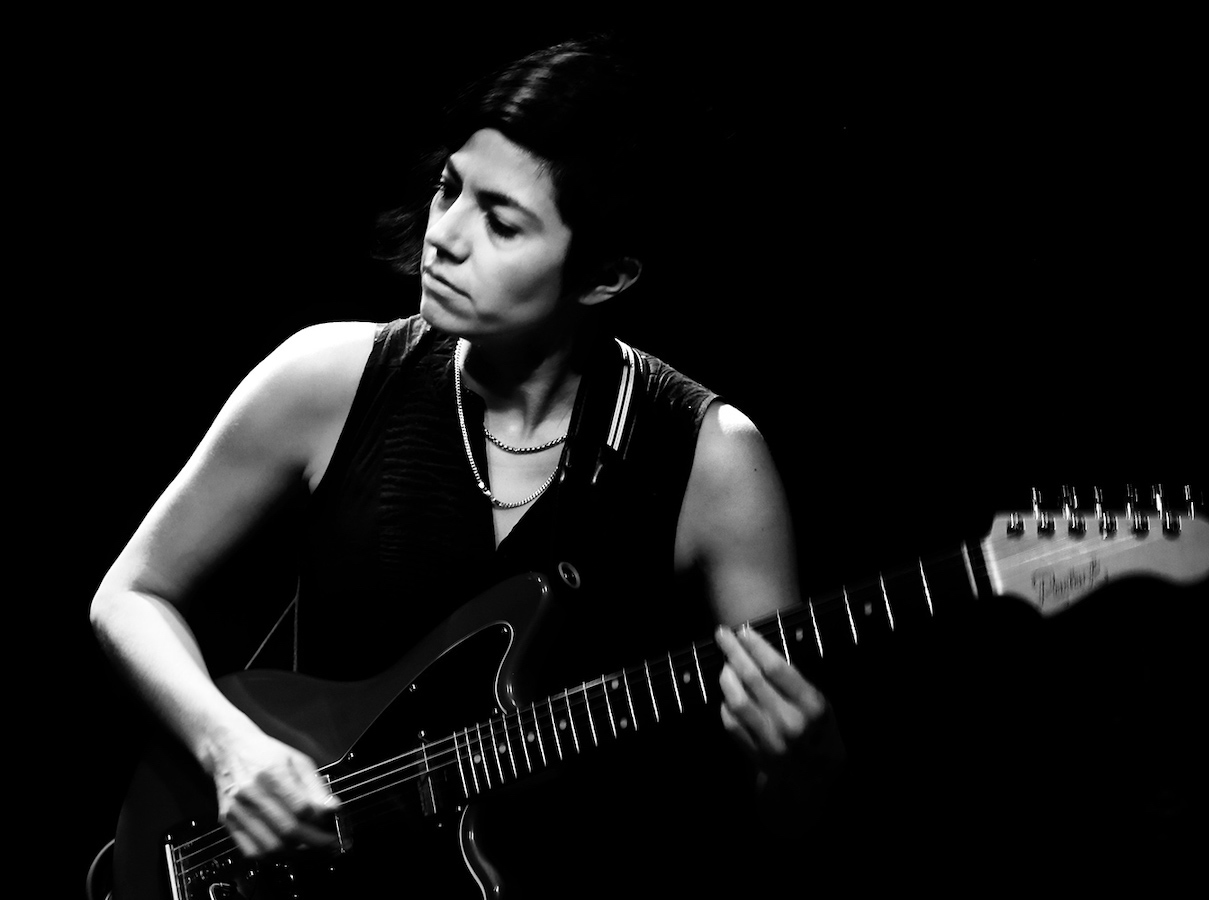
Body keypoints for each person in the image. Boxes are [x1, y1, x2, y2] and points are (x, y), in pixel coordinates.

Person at [91, 34, 843, 897]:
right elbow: (129, 595)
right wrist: (230, 748)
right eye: (451, 188)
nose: (443, 236)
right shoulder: (329, 379)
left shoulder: (713, 463)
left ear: (605, 275)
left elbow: (787, 826)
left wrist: (802, 769)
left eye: (501, 220)